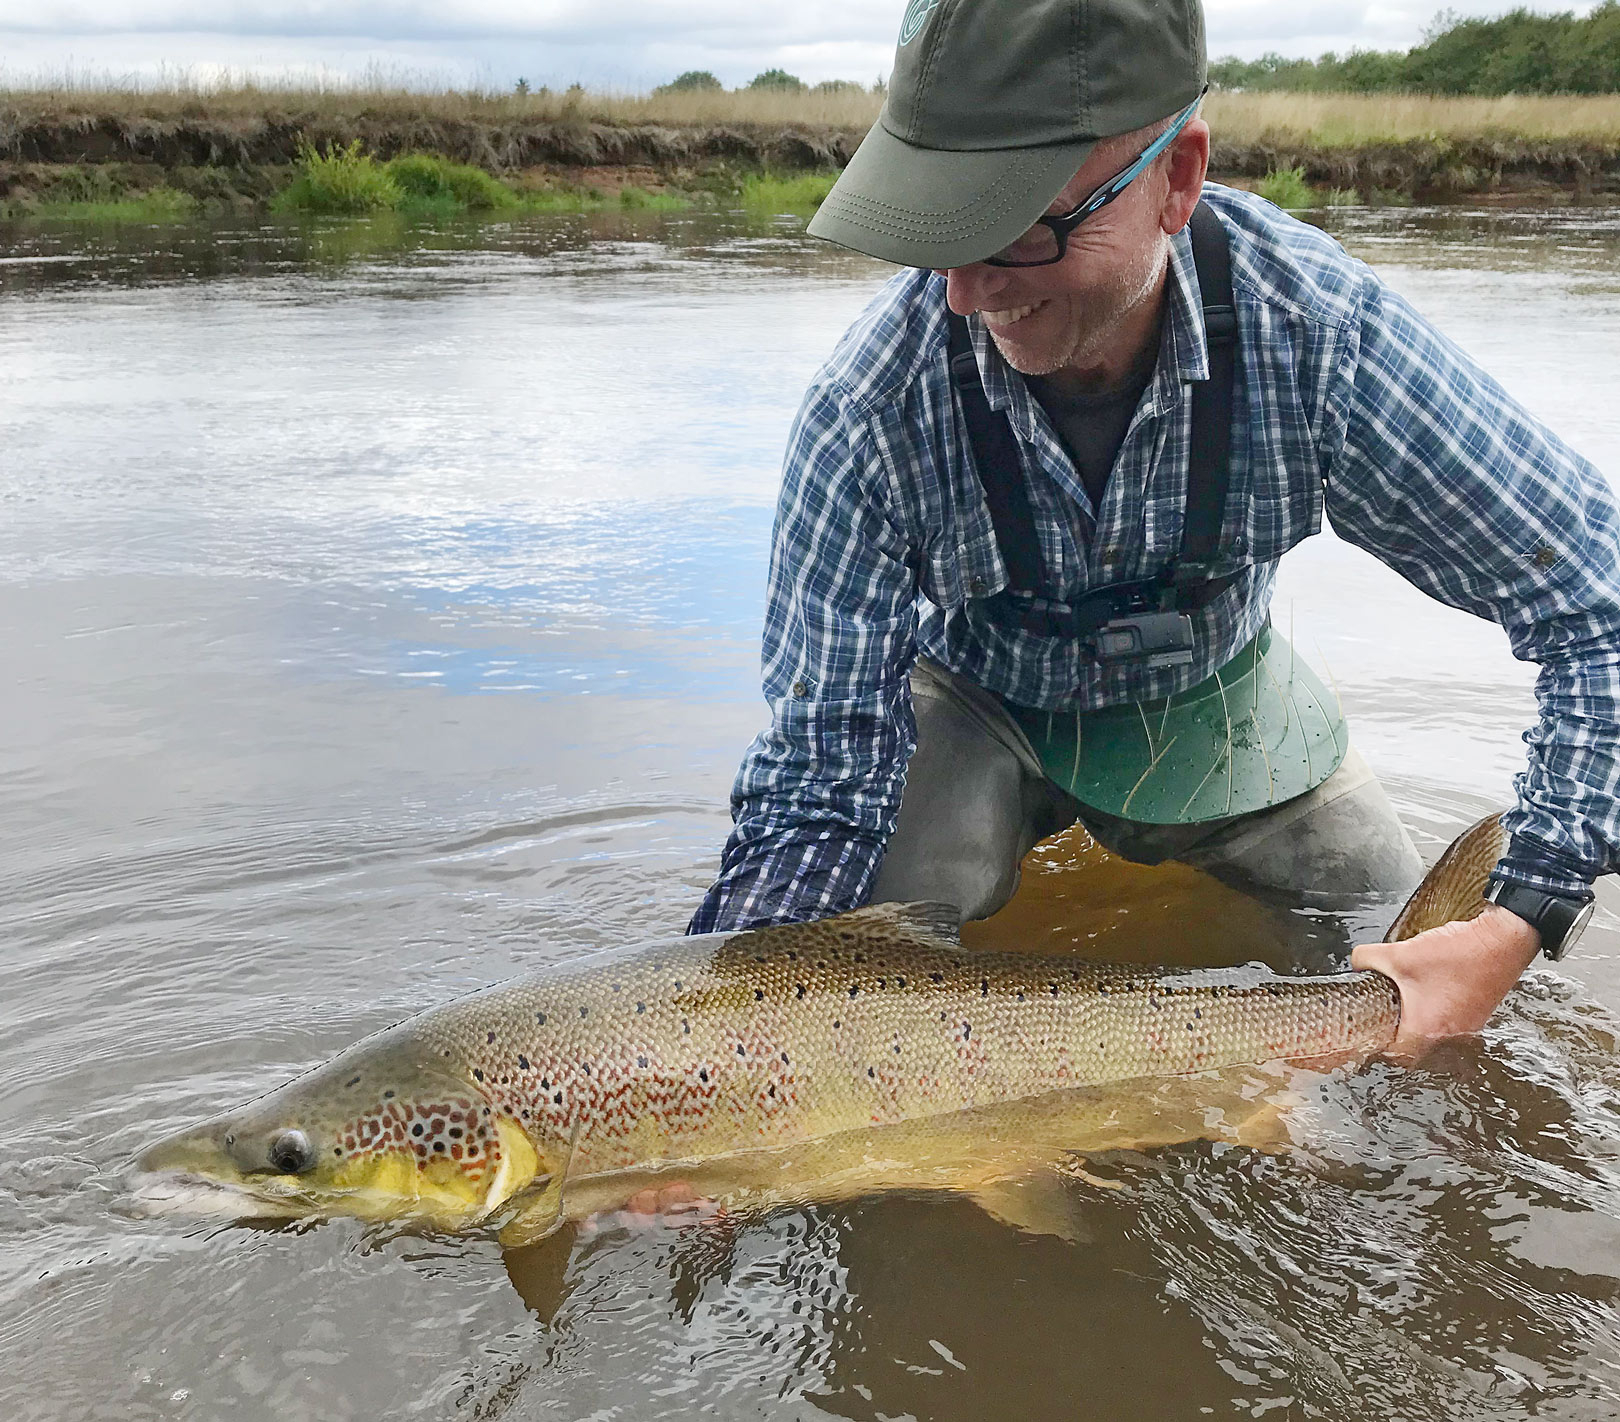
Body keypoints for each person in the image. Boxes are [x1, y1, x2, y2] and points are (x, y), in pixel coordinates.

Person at [688, 0, 1620, 1053]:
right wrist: (720, 1040)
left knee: (1401, 974)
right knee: (859, 958)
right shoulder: (870, 411)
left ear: (1178, 179)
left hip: (1215, 693)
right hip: (978, 703)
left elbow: (1601, 601)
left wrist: (1521, 914)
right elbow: (818, 779)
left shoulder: (1320, 345)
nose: (961, 293)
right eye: (938, 226)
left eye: (1018, 228)